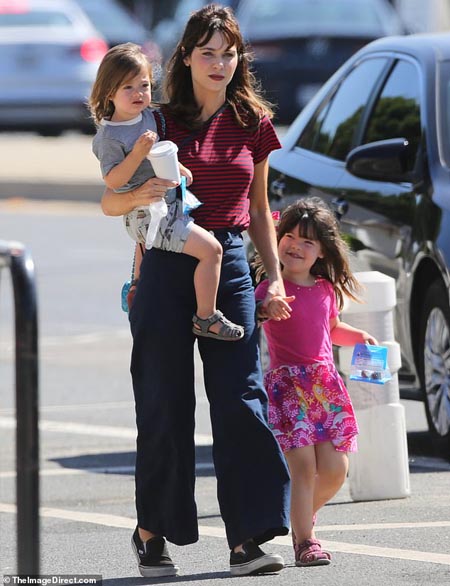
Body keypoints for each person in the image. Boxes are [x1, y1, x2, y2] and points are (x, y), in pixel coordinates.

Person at [100, 4, 293, 578]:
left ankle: (247, 539)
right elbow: (111, 201)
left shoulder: (253, 121)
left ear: (240, 58)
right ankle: (152, 532)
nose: (219, 63)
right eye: (207, 52)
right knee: (164, 400)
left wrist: (274, 273)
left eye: (228, 53)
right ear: (186, 57)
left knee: (240, 398)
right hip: (163, 262)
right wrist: (140, 197)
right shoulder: (156, 120)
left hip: (229, 261)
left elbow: (259, 208)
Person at [90, 42, 244, 341]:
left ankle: (137, 287)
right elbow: (112, 180)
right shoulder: (109, 135)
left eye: (144, 85)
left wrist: (177, 167)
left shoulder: (150, 116)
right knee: (212, 251)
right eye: (128, 88)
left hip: (167, 203)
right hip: (144, 211)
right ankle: (206, 317)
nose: (138, 94)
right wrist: (137, 153)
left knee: (152, 256)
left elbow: (160, 155)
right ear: (109, 92)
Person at [255, 197, 378, 567]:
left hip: (325, 388)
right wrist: (265, 309)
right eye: (288, 236)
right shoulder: (269, 289)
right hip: (288, 388)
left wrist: (359, 338)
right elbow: (253, 317)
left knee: (336, 470)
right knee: (303, 467)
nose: (295, 245)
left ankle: (301, 517)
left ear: (322, 250)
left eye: (307, 241)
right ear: (276, 240)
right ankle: (305, 541)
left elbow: (332, 329)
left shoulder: (325, 289)